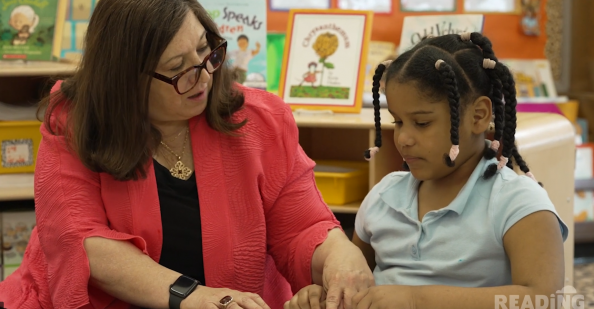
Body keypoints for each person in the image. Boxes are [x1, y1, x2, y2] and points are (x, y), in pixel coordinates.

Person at [0, 0, 373, 308]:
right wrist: (192, 297)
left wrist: (339, 255)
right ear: (125, 78)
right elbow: (80, 240)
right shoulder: (75, 121)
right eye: (178, 69)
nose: (204, 76)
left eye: (204, 50)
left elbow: (301, 226)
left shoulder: (260, 120)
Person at [285, 32, 568, 309]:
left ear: (478, 116)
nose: (403, 138)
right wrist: (325, 296)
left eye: (421, 123)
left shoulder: (518, 202)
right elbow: (357, 283)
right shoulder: (383, 197)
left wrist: (415, 300)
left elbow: (543, 298)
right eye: (398, 122)